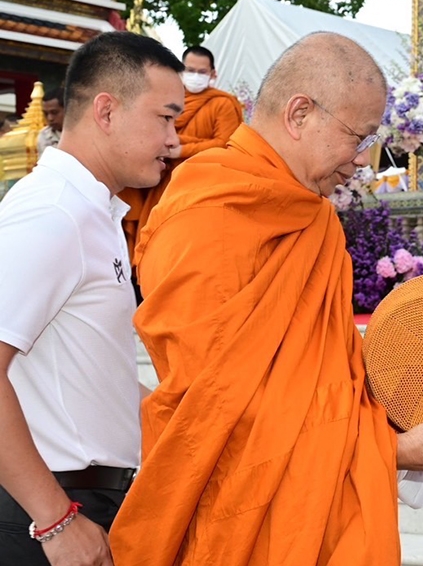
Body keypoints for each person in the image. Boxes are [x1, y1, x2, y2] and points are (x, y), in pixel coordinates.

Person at [109, 33, 423, 566]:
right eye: (359, 136)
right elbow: (219, 413)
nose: (366, 158)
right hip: (235, 512)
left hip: (319, 504)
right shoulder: (206, 212)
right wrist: (390, 449)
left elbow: (326, 372)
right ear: (300, 114)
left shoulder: (312, 216)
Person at [0, 32, 185, 566]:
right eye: (165, 117)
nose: (174, 140)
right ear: (106, 110)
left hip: (84, 498)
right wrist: (53, 519)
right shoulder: (53, 213)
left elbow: (79, 369)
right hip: (48, 508)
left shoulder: (92, 215)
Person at [120, 45, 244, 260]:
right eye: (190, 70)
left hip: (199, 185)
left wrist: (183, 149)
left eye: (202, 72)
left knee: (183, 244)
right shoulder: (169, 100)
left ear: (213, 74)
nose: (195, 76)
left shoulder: (223, 104)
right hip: (160, 179)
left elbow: (228, 145)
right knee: (151, 235)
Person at [36, 85, 64, 155]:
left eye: (54, 112)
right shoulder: (44, 136)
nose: (50, 118)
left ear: (67, 110)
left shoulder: (83, 132)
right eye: (46, 114)